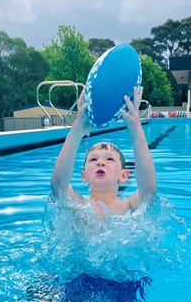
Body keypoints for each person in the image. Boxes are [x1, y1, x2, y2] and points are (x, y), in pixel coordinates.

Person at [51, 86, 157, 216]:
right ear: (84, 176)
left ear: (123, 175)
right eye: (93, 159)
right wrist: (76, 132)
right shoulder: (78, 205)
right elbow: (58, 185)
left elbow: (149, 191)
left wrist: (136, 132)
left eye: (110, 159)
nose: (100, 163)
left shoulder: (128, 206)